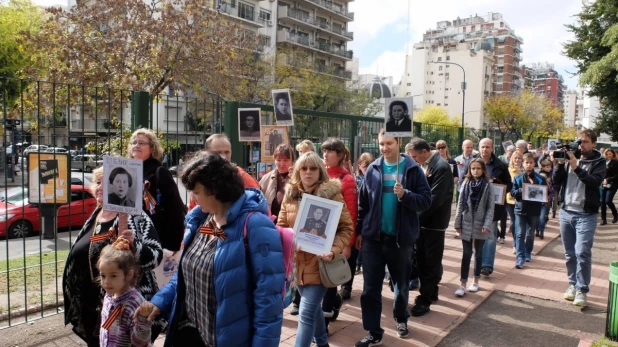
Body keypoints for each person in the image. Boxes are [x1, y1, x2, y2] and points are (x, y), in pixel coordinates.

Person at [137, 152, 285, 346]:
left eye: (196, 191)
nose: (192, 197)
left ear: (214, 189)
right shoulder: (204, 219)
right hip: (189, 331)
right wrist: (160, 300)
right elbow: (188, 271)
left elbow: (268, 303)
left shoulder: (256, 227)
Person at [63, 167, 162, 346]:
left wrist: (134, 246)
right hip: (93, 307)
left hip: (126, 310)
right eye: (97, 182)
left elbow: (156, 255)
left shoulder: (134, 215)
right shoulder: (96, 215)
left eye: (105, 183)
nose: (100, 187)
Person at [355, 129, 431, 346]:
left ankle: (401, 318)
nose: (384, 148)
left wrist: (405, 195)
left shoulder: (413, 170)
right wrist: (361, 231)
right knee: (370, 288)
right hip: (373, 240)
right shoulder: (373, 169)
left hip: (400, 240)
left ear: (399, 142)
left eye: (389, 143)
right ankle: (373, 331)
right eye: (381, 144)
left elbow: (426, 201)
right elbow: (363, 204)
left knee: (400, 285)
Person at [277, 152, 353, 347]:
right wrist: (289, 239)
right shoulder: (291, 194)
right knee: (312, 309)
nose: (308, 172)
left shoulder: (333, 195)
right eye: (304, 168)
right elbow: (282, 224)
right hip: (296, 264)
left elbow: (346, 228)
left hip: (320, 263)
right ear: (298, 171)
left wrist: (334, 249)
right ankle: (322, 342)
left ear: (320, 171)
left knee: (306, 311)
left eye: (313, 168)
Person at [552, 129, 605, 307]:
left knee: (582, 252)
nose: (581, 145)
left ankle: (582, 290)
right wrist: (559, 164)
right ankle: (572, 285)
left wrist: (575, 166)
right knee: (569, 254)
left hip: (586, 214)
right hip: (566, 211)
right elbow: (556, 181)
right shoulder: (570, 156)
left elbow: (594, 182)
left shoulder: (599, 161)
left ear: (594, 144)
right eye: (579, 141)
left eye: (585, 142)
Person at [406, 138, 454, 316]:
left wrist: (414, 219)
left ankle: (424, 300)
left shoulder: (440, 167)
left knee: (430, 262)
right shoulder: (426, 164)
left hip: (433, 223)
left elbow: (434, 200)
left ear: (425, 151)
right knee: (422, 260)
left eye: (415, 156)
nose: (413, 159)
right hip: (423, 222)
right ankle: (431, 291)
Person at [128, 128, 186, 252]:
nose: (136, 145)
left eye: (141, 143)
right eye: (134, 142)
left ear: (152, 148)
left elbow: (175, 210)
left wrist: (172, 246)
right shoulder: (127, 171)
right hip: (133, 237)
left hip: (156, 240)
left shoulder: (160, 172)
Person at [320, 138, 358, 326]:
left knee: (330, 281)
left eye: (330, 151)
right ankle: (334, 302)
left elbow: (351, 215)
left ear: (341, 155)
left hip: (336, 238)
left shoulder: (347, 180)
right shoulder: (319, 174)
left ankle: (324, 324)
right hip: (317, 233)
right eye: (324, 150)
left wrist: (347, 244)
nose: (325, 154)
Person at [97, 238, 152, 347]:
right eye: (103, 275)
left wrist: (143, 320)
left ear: (129, 275)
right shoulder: (109, 295)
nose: (106, 282)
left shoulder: (135, 303)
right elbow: (105, 330)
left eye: (113, 276)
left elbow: (140, 342)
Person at [454, 159, 494, 297]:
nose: (475, 171)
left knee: (478, 253)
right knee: (466, 254)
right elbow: (460, 205)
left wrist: (487, 224)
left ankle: (475, 280)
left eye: (478, 168)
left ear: (483, 170)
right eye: (473, 168)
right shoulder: (465, 183)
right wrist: (457, 223)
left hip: (481, 224)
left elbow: (490, 207)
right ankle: (462, 283)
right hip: (466, 223)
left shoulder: (488, 185)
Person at [187, 134, 260, 210]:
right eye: (218, 152)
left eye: (227, 152)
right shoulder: (200, 179)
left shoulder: (243, 178)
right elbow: (192, 214)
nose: (223, 156)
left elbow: (259, 209)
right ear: (207, 154)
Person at [476, 138, 512, 277]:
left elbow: (509, 185)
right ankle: (478, 264)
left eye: (487, 147)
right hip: (475, 207)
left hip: (493, 207)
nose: (484, 149)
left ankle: (486, 266)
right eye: (482, 147)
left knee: (490, 237)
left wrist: (500, 185)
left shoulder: (501, 166)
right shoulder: (473, 162)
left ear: (492, 148)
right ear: (479, 148)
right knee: (477, 237)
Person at [511, 153, 548, 269]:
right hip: (520, 209)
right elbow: (513, 193)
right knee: (520, 233)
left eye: (531, 162)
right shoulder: (517, 178)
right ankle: (520, 257)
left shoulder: (540, 178)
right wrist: (523, 190)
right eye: (526, 162)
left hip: (534, 210)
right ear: (523, 163)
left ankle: (528, 252)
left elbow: (546, 193)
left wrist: (537, 192)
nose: (528, 165)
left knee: (530, 233)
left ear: (534, 164)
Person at [259, 144, 295, 222]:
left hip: (290, 225)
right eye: (278, 160)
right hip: (270, 224)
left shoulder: (298, 177)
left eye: (285, 160)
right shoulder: (266, 179)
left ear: (292, 161)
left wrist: (296, 178)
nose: (281, 164)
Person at [354, 152, 374, 274]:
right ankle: (357, 262)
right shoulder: (356, 178)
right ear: (359, 165)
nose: (367, 170)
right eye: (365, 167)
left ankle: (359, 262)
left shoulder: (373, 178)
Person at [454, 140, 475, 238]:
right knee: (460, 208)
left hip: (472, 187)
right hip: (460, 188)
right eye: (467, 147)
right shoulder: (457, 159)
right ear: (463, 147)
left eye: (471, 147)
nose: (470, 149)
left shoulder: (475, 158)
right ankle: (459, 228)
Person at [535, 160, 555, 239]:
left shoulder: (548, 185)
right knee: (536, 218)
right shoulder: (536, 183)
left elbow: (552, 192)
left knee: (542, 218)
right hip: (536, 203)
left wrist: (549, 197)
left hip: (544, 203)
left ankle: (541, 231)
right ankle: (537, 230)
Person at [601, 148, 618, 225]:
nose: (608, 155)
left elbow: (617, 175)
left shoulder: (616, 162)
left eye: (610, 154)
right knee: (602, 202)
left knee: (608, 201)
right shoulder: (603, 162)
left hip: (613, 184)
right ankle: (603, 219)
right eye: (607, 154)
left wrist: (608, 179)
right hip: (603, 184)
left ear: (613, 154)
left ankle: (615, 214)